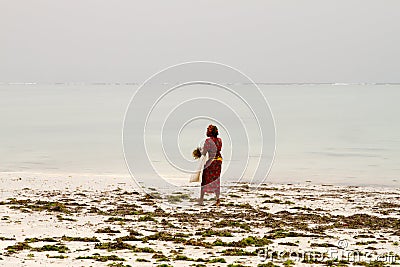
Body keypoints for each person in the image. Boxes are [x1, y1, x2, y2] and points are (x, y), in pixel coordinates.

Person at [198, 124, 222, 206]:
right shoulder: (219, 140)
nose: (206, 132)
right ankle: (218, 199)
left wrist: (199, 151)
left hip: (211, 162)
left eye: (208, 130)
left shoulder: (208, 141)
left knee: (205, 179)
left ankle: (201, 199)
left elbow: (204, 153)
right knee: (216, 179)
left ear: (210, 132)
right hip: (219, 162)